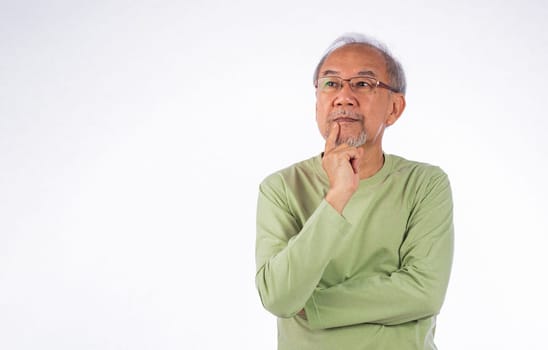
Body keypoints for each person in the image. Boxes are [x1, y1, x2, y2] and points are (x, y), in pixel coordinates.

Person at [255, 33, 454, 350]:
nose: (343, 96)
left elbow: (424, 292)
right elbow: (279, 297)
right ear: (317, 102)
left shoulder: (424, 183)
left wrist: (315, 306)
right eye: (330, 84)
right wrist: (338, 195)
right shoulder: (281, 187)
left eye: (363, 84)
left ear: (394, 108)